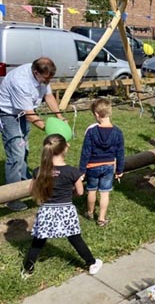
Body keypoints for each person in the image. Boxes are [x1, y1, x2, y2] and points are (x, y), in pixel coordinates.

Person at [22, 134, 103, 278]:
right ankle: (91, 263)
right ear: (65, 148)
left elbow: (31, 190)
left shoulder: (39, 170)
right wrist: (70, 189)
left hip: (46, 210)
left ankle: (27, 269)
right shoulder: (72, 172)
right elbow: (80, 191)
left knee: (38, 241)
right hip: (66, 210)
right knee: (75, 238)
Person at [0, 57, 67, 211]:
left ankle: (26, 185)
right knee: (16, 153)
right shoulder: (20, 81)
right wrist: (51, 129)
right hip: (8, 114)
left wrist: (59, 116)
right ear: (36, 72)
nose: (47, 81)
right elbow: (30, 115)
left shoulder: (44, 75)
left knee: (25, 150)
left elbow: (48, 96)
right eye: (45, 78)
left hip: (23, 112)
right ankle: (12, 197)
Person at [79, 98, 125, 227]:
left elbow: (85, 152)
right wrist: (120, 170)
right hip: (108, 166)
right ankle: (101, 218)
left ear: (97, 115)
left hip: (92, 166)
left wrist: (82, 170)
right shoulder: (118, 132)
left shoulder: (91, 132)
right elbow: (120, 153)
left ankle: (89, 212)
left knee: (92, 190)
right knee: (105, 193)